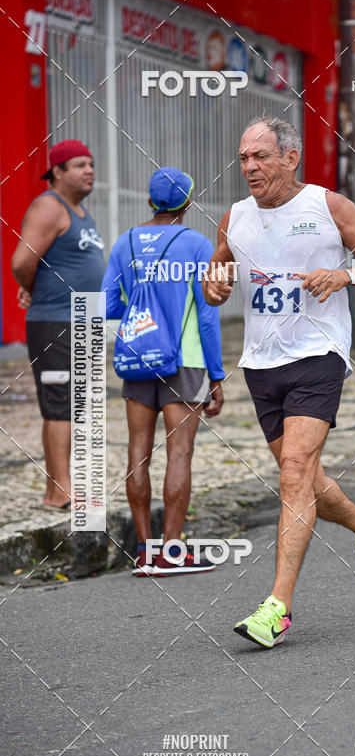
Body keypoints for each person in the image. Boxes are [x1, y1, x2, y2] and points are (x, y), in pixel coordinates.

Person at [203, 116, 355, 648]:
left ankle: (277, 609)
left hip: (318, 354)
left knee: (293, 471)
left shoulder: (329, 207)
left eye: (260, 156)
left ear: (291, 158)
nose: (249, 167)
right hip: (261, 363)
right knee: (305, 481)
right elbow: (217, 272)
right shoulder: (235, 217)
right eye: (244, 158)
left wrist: (345, 274)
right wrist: (214, 287)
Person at [102, 167, 225, 577]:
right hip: (185, 361)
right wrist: (217, 375)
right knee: (179, 452)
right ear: (187, 203)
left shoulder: (125, 243)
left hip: (137, 358)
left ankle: (144, 551)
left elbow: (107, 305)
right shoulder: (197, 244)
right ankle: (172, 551)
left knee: (137, 451)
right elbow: (206, 316)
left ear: (150, 202)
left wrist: (142, 306)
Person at [12, 139, 105, 510]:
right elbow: (22, 261)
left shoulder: (80, 211)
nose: (89, 170)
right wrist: (33, 289)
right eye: (80, 165)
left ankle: (66, 483)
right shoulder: (49, 207)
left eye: (91, 164)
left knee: (76, 405)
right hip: (56, 323)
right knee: (60, 405)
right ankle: (57, 492)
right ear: (57, 172)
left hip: (80, 321)